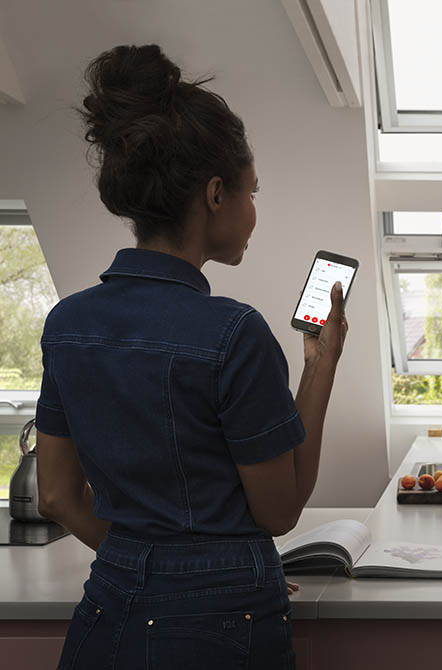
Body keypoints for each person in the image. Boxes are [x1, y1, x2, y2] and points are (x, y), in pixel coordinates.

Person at [33, 44, 346, 669]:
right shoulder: (235, 333)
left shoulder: (66, 324)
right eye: (252, 192)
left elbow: (58, 499)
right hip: (220, 629)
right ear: (214, 194)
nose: (255, 212)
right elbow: (281, 510)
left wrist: (148, 566)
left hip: (105, 614)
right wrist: (321, 364)